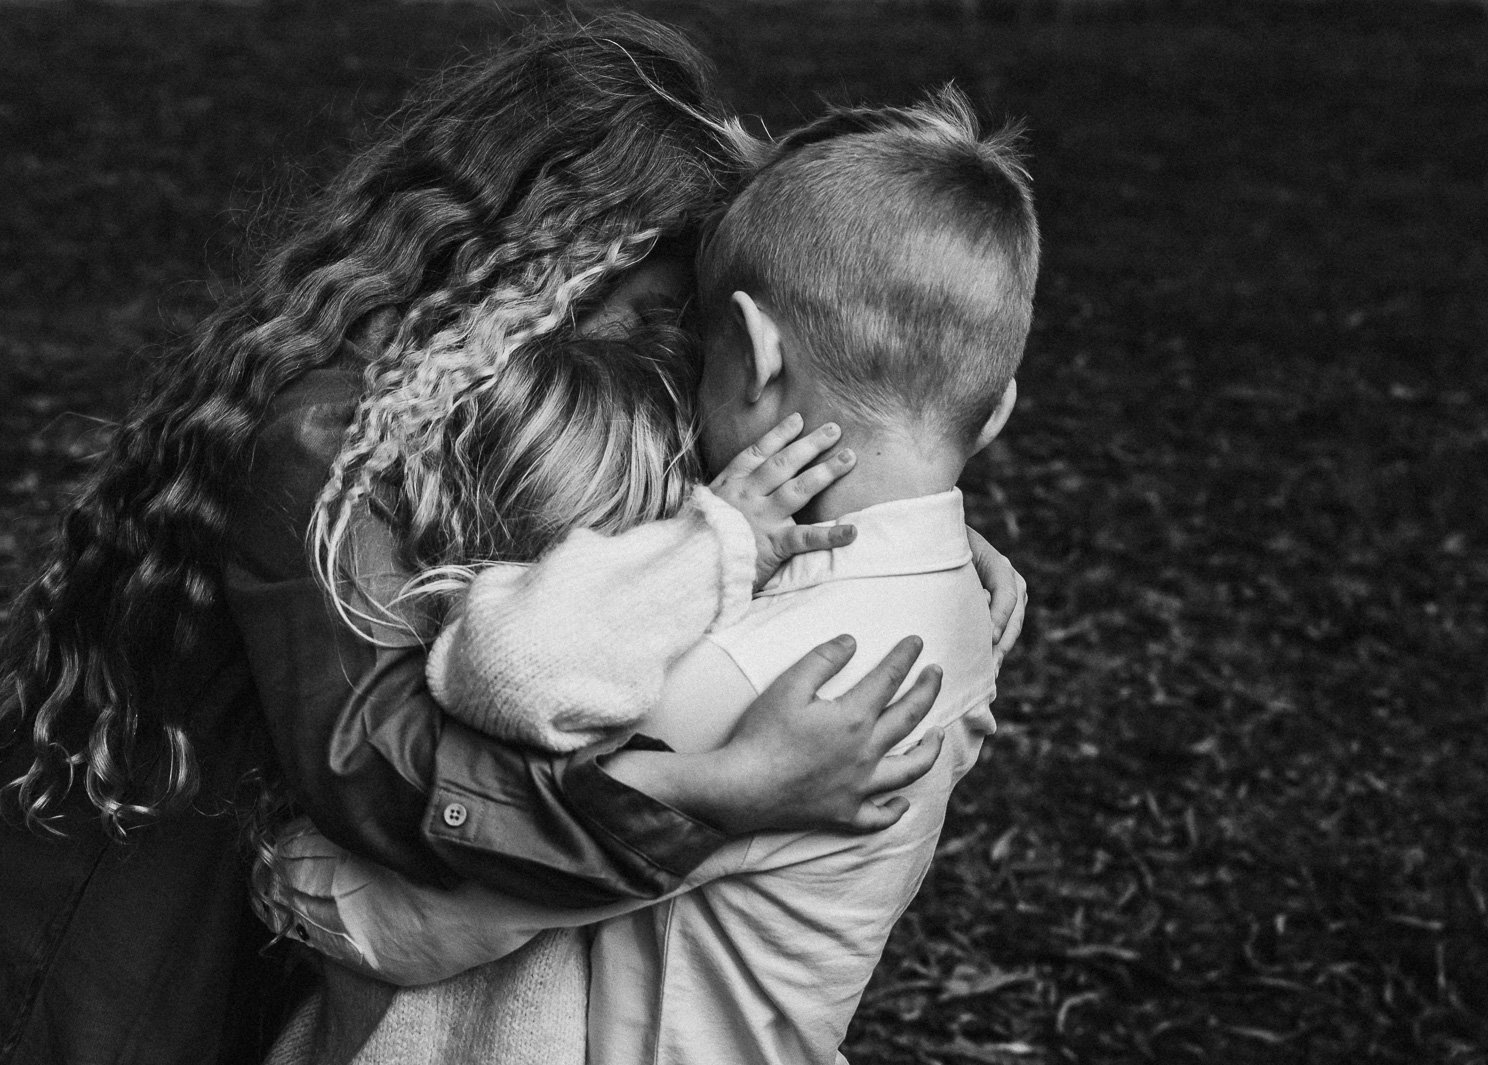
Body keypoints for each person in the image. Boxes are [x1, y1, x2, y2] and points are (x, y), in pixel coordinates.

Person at [0, 19, 1025, 1065]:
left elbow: (702, 534)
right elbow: (387, 781)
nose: (677, 359)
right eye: (655, 310)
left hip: (284, 939)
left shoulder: (530, 382)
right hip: (138, 925)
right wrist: (711, 794)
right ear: (549, 265)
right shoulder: (324, 438)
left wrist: (893, 550)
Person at [258, 84, 1038, 1065]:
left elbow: (432, 903)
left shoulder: (752, 687)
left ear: (750, 354)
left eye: (686, 336)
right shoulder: (953, 611)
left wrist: (294, 882)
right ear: (998, 407)